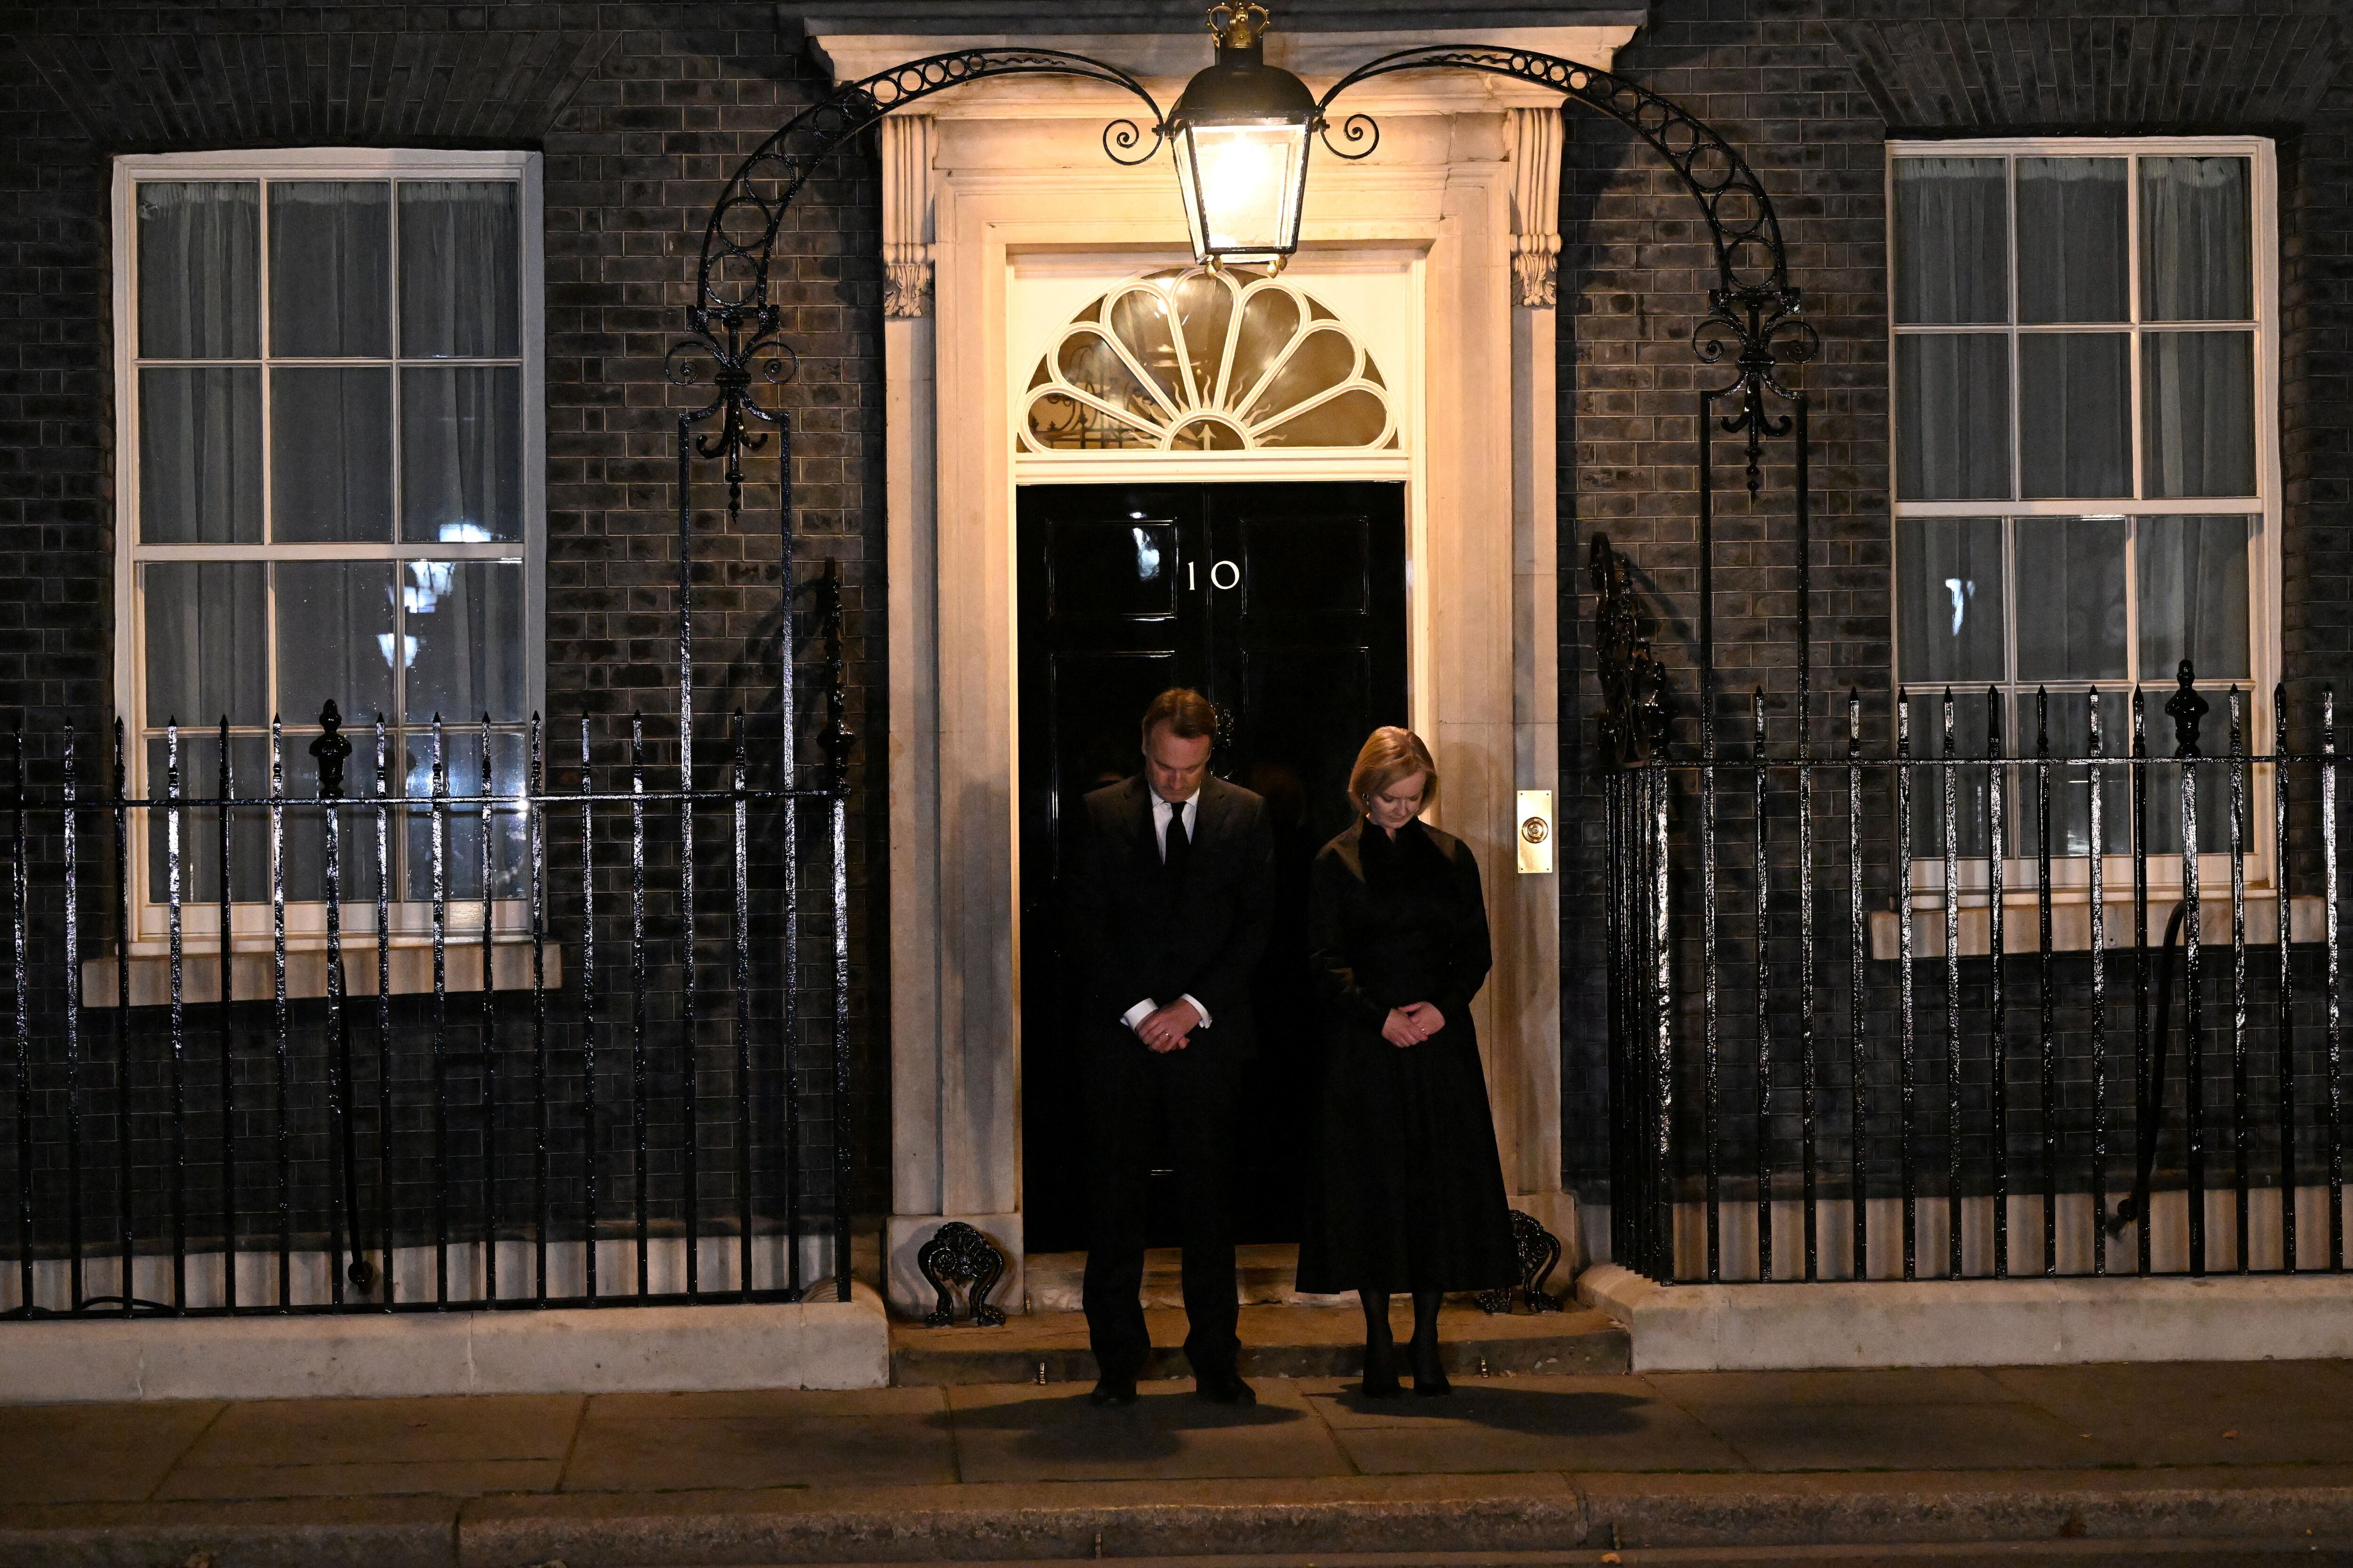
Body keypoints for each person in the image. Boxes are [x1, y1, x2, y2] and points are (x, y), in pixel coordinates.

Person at [1064, 688, 1276, 1407]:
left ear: (1209, 756)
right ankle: (1117, 1361)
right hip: (1120, 1042)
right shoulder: (1098, 815)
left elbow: (1257, 927)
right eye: (1163, 768)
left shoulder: (1244, 815)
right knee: (1115, 1203)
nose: (1176, 782)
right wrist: (1140, 1012)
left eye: (1190, 769)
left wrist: (1191, 1009)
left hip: (1210, 1040)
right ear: (1145, 749)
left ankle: (1216, 1358)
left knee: (1209, 1206)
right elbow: (1083, 928)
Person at [1295, 727, 1516, 1397]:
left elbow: (1474, 951)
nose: (1403, 810)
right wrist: (1379, 1016)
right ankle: (1376, 1335)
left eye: (1414, 798)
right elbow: (1323, 960)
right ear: (1366, 793)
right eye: (1392, 799)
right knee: (1371, 1185)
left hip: (1438, 1044)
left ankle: (1426, 1337)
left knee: (1433, 1187)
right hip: (1365, 1046)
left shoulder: (1452, 857)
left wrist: (1442, 1009)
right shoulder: (1335, 862)